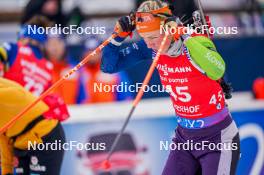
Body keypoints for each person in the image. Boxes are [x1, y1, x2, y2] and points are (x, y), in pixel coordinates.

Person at [101, 0, 240, 174]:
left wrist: (185, 34)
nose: (149, 44)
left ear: (168, 29)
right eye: (145, 38)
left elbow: (218, 70)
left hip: (217, 139)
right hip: (184, 139)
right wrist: (117, 36)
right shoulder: (151, 48)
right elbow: (109, 66)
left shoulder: (193, 41)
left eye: (152, 37)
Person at [0, 15, 68, 174]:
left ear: (23, 37)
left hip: (20, 132)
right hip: (42, 131)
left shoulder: (13, 48)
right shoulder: (48, 66)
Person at [0, 78, 65, 175]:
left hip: (45, 135)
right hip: (20, 143)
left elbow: (20, 95)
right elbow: (4, 134)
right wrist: (7, 170)